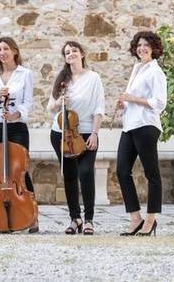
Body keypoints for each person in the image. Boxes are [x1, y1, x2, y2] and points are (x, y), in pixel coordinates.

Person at [47, 41, 105, 235]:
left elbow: (99, 108)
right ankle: (75, 219)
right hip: (61, 133)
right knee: (70, 175)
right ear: (65, 57)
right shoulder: (62, 79)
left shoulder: (93, 78)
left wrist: (95, 134)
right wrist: (58, 102)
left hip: (87, 132)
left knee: (86, 172)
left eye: (73, 51)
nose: (70, 54)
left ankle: (89, 220)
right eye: (67, 52)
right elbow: (50, 108)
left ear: (82, 53)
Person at [0, 36, 38, 233]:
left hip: (16, 127)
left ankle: (31, 215)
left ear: (14, 51)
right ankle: (0, 213)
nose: (2, 53)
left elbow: (28, 102)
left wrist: (15, 114)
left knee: (20, 170)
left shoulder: (25, 74)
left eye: (6, 49)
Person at [116, 31, 167, 236]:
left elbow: (159, 103)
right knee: (121, 170)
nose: (142, 48)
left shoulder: (156, 72)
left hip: (146, 126)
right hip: (129, 125)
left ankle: (151, 219)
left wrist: (132, 98)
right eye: (139, 45)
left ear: (154, 48)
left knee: (151, 173)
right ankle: (136, 218)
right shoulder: (137, 68)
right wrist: (124, 102)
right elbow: (134, 98)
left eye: (146, 45)